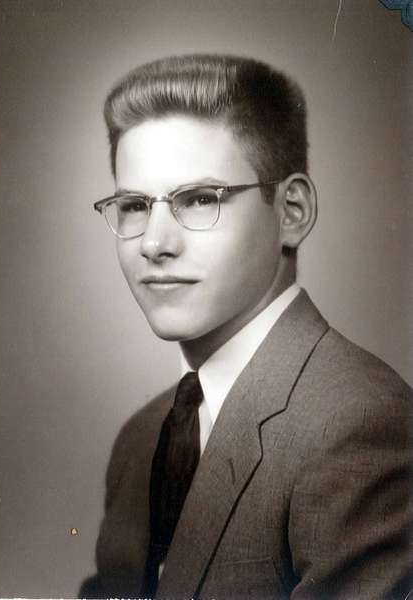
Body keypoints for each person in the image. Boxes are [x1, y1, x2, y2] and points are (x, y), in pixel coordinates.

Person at [80, 54, 412, 599]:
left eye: (199, 199)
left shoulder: (360, 424)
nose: (154, 244)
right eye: (135, 205)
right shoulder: (142, 438)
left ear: (292, 211)